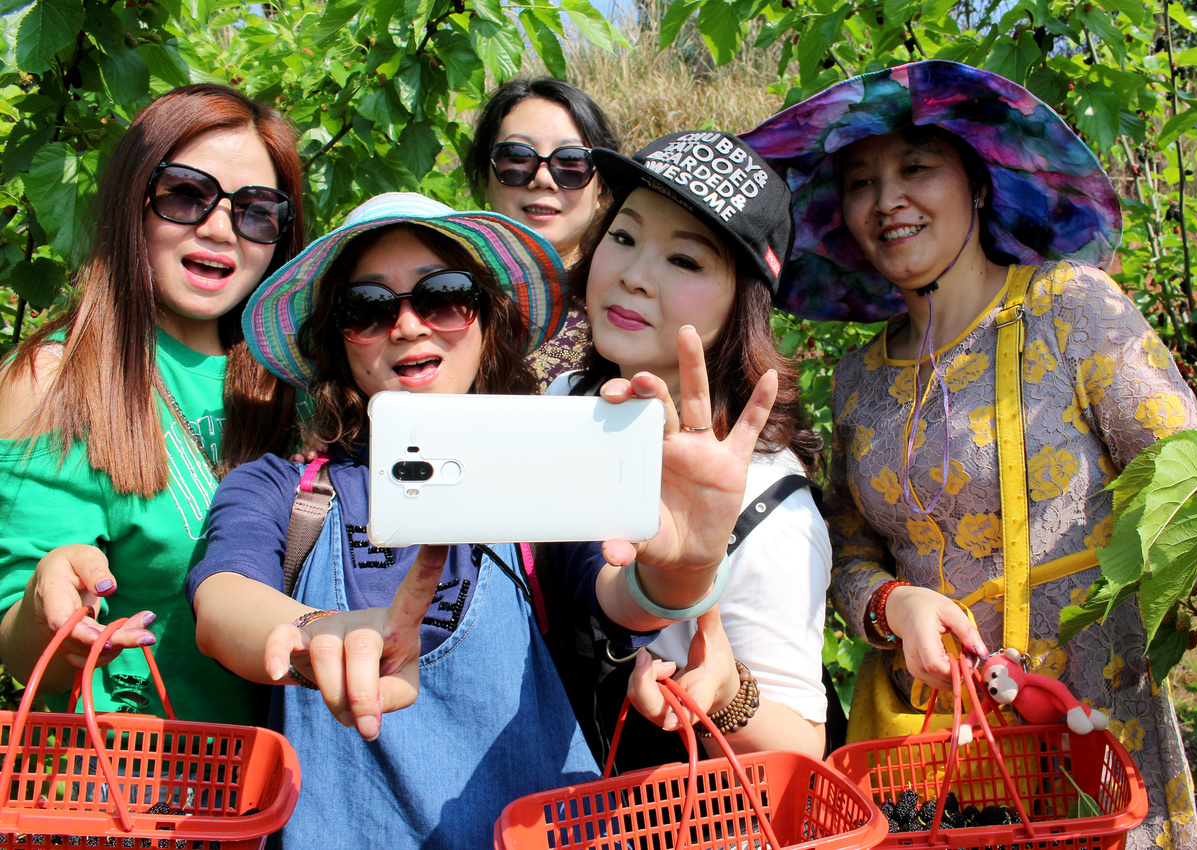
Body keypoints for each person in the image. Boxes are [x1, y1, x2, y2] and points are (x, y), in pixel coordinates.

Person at [186, 192, 779, 849]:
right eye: (368, 308)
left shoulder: (548, 476)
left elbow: (621, 598)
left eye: (444, 297)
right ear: (337, 341)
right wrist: (312, 635)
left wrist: (688, 566)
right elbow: (224, 600)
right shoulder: (278, 488)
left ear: (487, 321)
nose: (407, 325)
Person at [742, 59, 1197, 849]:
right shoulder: (857, 380)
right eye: (860, 183)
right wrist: (892, 605)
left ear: (979, 186)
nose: (887, 201)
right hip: (939, 752)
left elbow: (1182, 472)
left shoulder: (1068, 308)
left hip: (1091, 723)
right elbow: (848, 551)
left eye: (916, 169)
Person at [0, 84, 304, 725]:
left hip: (296, 776)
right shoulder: (58, 379)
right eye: (186, 194)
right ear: (133, 198)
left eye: (256, 210)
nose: (219, 228)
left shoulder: (298, 381)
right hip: (137, 775)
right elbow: (24, 654)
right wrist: (49, 604)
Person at [546, 130, 831, 766]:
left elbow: (804, 751)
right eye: (624, 237)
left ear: (743, 304)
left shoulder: (766, 503)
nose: (634, 276)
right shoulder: (567, 399)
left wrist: (726, 693)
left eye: (684, 260)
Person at [465, 77, 621, 389]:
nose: (543, 179)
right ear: (484, 179)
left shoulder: (628, 304)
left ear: (601, 186)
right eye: (516, 158)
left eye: (571, 161)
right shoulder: (443, 297)